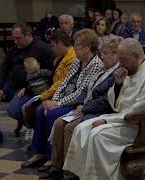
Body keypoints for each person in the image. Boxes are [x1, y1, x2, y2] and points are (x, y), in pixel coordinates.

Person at [63, 38, 145, 180]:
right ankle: (82, 176)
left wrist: (107, 121)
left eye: (123, 59)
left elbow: (142, 110)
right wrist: (118, 85)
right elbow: (118, 103)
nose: (120, 64)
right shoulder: (131, 70)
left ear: (137, 57)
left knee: (98, 135)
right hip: (128, 121)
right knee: (81, 129)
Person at [21, 29, 103, 174]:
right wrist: (53, 100)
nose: (74, 47)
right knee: (41, 111)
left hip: (77, 103)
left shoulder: (96, 64)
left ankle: (53, 157)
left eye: (77, 44)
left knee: (52, 114)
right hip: (64, 99)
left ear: (88, 47)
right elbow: (64, 83)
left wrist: (57, 104)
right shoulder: (78, 61)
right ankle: (39, 152)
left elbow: (81, 93)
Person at [43, 38, 121, 180]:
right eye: (102, 53)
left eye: (106, 53)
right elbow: (86, 89)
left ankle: (70, 172)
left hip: (101, 112)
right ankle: (56, 166)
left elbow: (106, 100)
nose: (102, 56)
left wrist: (85, 108)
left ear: (116, 55)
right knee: (59, 123)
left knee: (70, 128)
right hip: (87, 107)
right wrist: (81, 104)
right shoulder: (104, 69)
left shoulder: (117, 73)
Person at [0, 22, 55, 144]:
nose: (15, 42)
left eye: (18, 38)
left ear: (28, 35)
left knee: (13, 110)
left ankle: (35, 128)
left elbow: (51, 73)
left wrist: (28, 86)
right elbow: (4, 69)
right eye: (14, 38)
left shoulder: (43, 49)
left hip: (29, 89)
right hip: (11, 85)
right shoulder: (14, 49)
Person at [21, 29, 76, 129]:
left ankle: (42, 141)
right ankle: (37, 140)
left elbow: (62, 82)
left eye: (53, 46)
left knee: (38, 110)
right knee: (27, 108)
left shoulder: (71, 59)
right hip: (55, 92)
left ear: (59, 43)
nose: (52, 49)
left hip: (63, 95)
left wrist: (43, 96)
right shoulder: (60, 57)